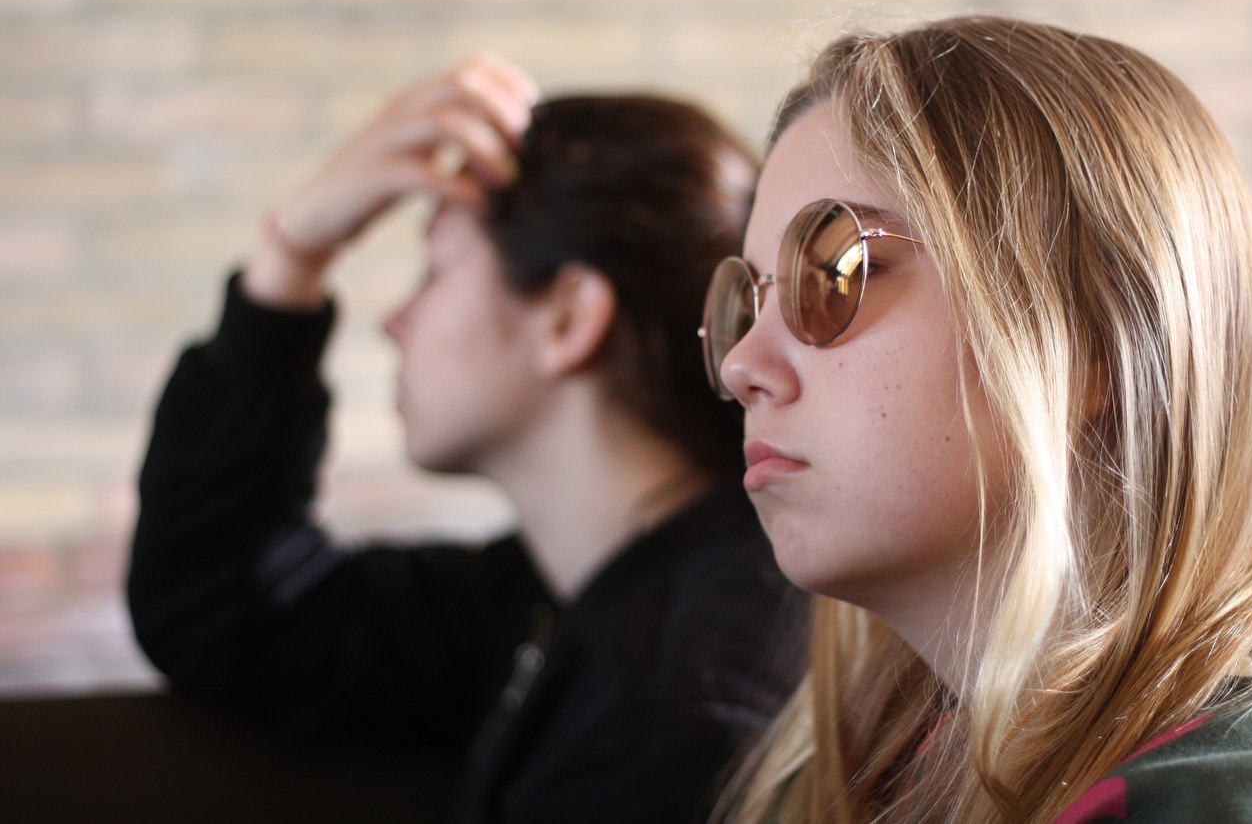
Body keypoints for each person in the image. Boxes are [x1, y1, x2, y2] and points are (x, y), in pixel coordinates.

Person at [128, 55, 803, 823]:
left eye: (434, 272)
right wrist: (293, 254)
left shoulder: (687, 703)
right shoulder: (554, 595)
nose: (393, 321)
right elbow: (224, 606)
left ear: (568, 317)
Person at [698, 16, 1252, 822]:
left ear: (1087, 342)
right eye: (748, 300)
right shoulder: (888, 771)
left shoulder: (1213, 801)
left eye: (836, 272)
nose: (740, 365)